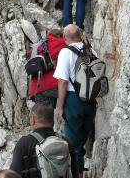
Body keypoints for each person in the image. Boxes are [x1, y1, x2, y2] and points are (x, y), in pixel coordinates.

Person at [54, 24, 97, 178]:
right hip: (91, 100)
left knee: (72, 142)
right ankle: (80, 169)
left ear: (65, 39)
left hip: (73, 100)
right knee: (83, 137)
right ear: (79, 35)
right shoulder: (91, 50)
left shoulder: (65, 52)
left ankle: (76, 172)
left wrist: (59, 106)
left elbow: (63, 81)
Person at [10, 103, 64, 177]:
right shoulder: (65, 141)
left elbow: (13, 174)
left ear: (33, 120)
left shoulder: (24, 143)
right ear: (53, 121)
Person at [28, 29, 67, 108]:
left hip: (36, 88)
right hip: (51, 86)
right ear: (59, 36)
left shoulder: (39, 46)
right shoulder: (60, 42)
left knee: (43, 117)